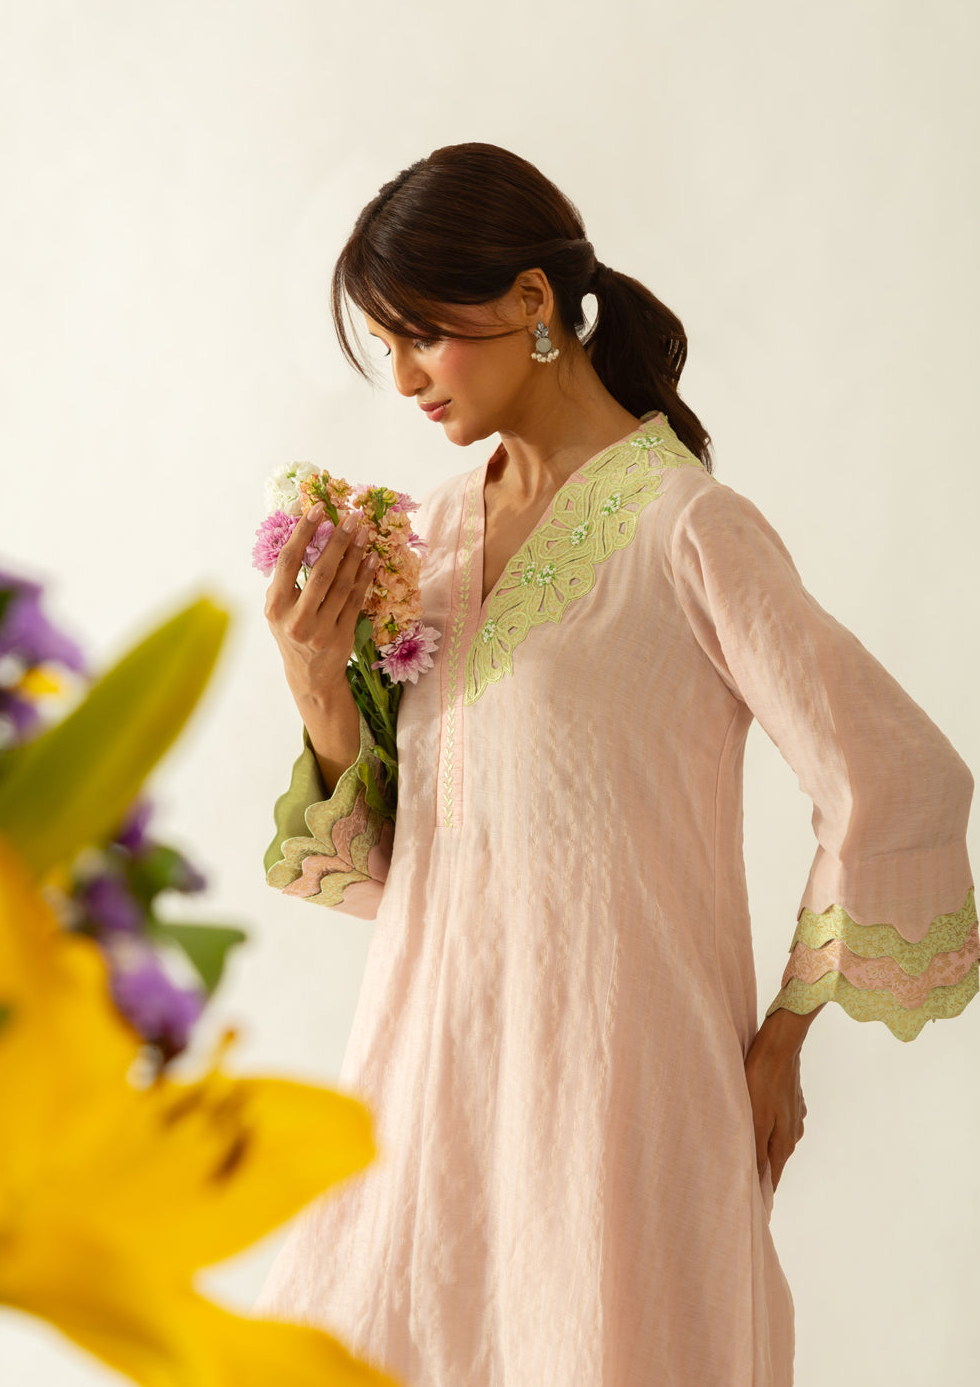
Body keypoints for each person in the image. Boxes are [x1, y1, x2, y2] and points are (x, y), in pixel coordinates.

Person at [254, 142, 977, 1387]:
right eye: (385, 346)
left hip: (618, 1086)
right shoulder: (428, 539)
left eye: (423, 335)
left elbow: (893, 772)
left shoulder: (685, 526)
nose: (405, 378)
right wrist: (319, 685)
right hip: (428, 1082)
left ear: (533, 301)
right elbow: (396, 872)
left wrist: (782, 1038)